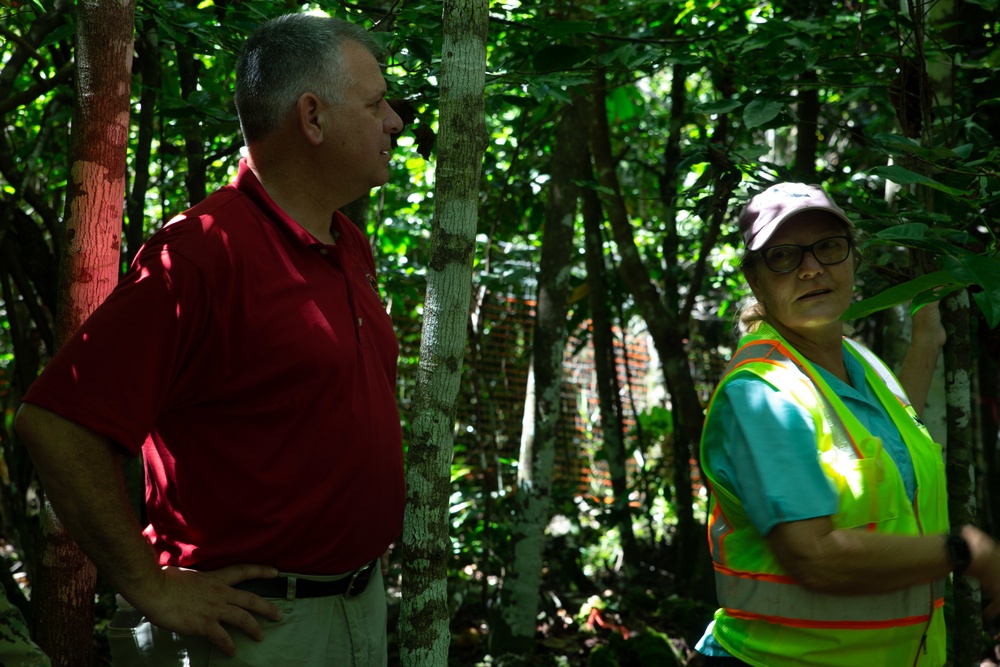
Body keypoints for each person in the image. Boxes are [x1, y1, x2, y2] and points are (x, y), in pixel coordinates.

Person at [14, 12, 404, 667]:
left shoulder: (348, 244)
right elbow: (55, 424)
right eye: (376, 103)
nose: (394, 120)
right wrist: (149, 585)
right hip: (251, 632)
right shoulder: (202, 255)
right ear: (311, 117)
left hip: (354, 608)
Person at [694, 182, 1000, 666]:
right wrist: (966, 553)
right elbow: (816, 558)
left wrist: (927, 341)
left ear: (853, 259)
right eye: (784, 256)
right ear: (755, 280)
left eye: (829, 248)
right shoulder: (762, 393)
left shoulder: (856, 361)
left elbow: (896, 436)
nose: (812, 268)